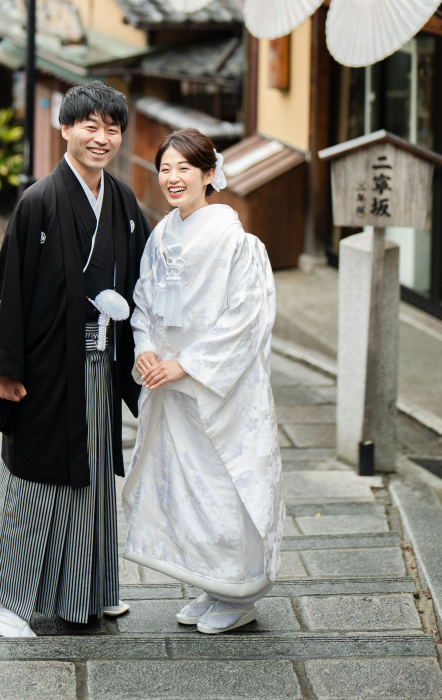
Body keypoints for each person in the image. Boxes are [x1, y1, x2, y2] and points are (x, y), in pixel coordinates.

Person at [0, 81, 149, 636]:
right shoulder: (38, 201)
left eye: (111, 128)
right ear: (65, 130)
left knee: (93, 477)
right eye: (90, 126)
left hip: (100, 365)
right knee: (34, 476)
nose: (102, 138)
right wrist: (8, 367)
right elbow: (10, 288)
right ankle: (11, 602)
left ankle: (89, 593)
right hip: (49, 365)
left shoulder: (123, 201)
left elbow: (148, 281)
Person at [122, 127, 284, 635]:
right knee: (184, 483)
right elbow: (143, 300)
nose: (172, 178)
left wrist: (187, 363)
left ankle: (240, 592)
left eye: (183, 169)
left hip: (218, 389)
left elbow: (245, 317)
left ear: (209, 174)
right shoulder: (162, 234)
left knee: (223, 483)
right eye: (165, 168)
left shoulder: (236, 241)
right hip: (170, 386)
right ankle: (211, 582)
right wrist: (146, 350)